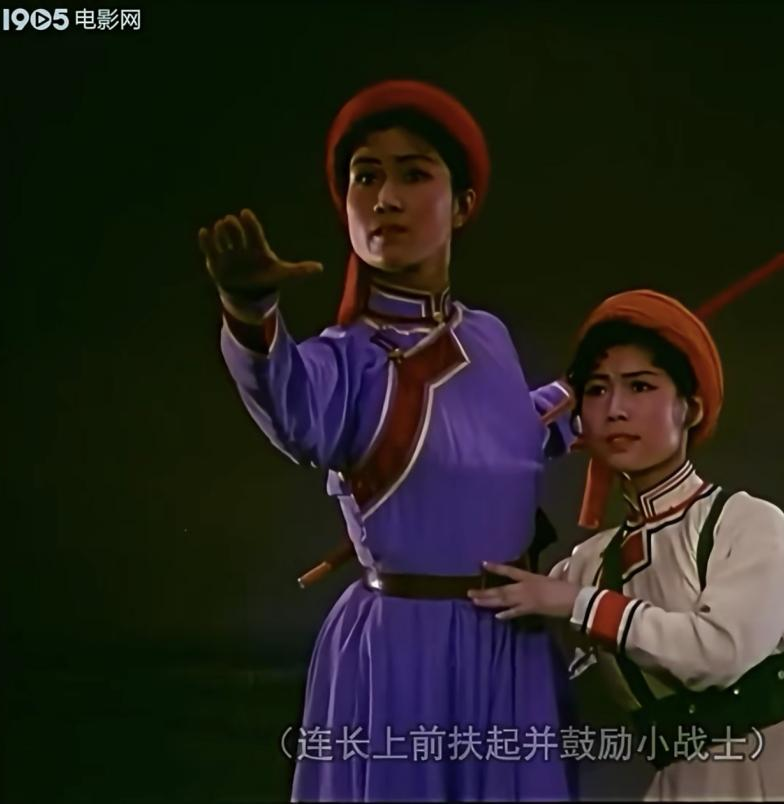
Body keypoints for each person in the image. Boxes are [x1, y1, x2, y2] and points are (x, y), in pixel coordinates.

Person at [198, 80, 577, 801]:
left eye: (414, 174)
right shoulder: (344, 359)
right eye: (366, 177)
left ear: (462, 203)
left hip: (510, 643)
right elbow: (292, 406)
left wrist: (585, 397)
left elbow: (507, 436)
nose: (386, 199)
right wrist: (250, 315)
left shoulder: (487, 336)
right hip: (402, 656)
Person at [470, 289, 784, 800]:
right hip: (684, 784)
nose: (616, 409)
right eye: (598, 390)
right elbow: (504, 666)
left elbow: (717, 653)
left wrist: (579, 605)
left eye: (641, 386)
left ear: (690, 408)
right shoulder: (585, 565)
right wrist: (500, 444)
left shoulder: (747, 524)